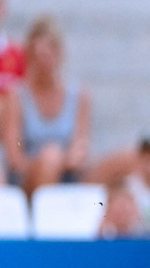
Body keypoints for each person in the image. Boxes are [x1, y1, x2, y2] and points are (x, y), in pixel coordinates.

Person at [1, 15, 90, 199]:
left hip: (68, 174)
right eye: (38, 56)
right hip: (26, 180)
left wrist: (61, 161)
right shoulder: (16, 96)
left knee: (128, 160)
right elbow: (15, 158)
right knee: (51, 157)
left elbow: (80, 147)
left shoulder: (79, 95)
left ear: (59, 54)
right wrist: (47, 162)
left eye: (48, 56)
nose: (43, 64)